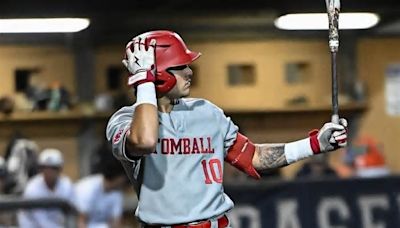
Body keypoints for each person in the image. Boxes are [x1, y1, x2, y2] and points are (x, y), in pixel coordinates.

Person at [106, 30, 348, 228]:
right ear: (157, 74)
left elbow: (253, 156)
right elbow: (145, 140)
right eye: (180, 67)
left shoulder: (206, 111)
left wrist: (315, 144)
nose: (189, 72)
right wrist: (143, 81)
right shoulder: (124, 121)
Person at [17, 148, 75, 228]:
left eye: (53, 168)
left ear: (60, 169)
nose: (49, 171)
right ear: (40, 169)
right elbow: (41, 221)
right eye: (45, 167)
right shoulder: (32, 187)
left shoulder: (66, 185)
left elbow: (71, 213)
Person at [74, 152, 127, 228]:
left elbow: (116, 222)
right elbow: (81, 222)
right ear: (118, 177)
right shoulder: (87, 188)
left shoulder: (117, 192)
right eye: (123, 177)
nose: (124, 181)